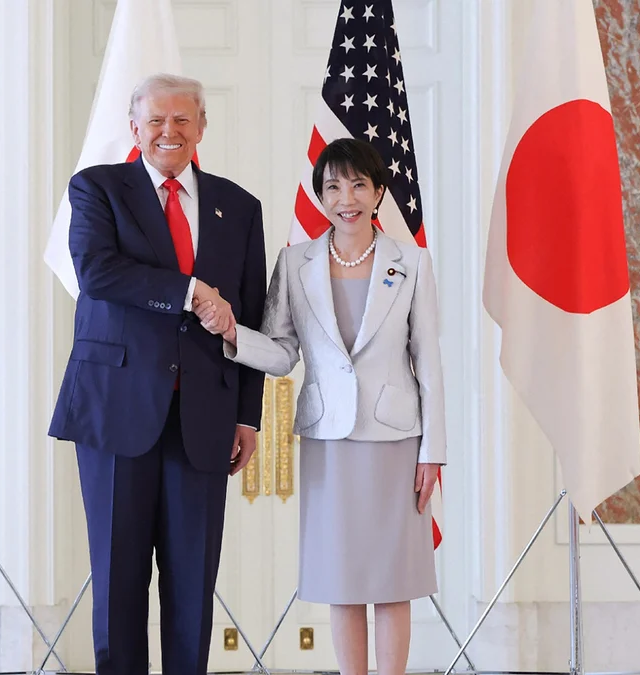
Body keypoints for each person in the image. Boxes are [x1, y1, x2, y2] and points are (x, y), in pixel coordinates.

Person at [196, 137, 447, 675]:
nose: (346, 197)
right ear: (320, 196)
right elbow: (283, 352)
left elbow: (429, 361)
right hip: (329, 442)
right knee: (342, 578)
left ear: (378, 192)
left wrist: (435, 452)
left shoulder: (413, 262)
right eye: (333, 186)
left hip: (397, 441)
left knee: (393, 577)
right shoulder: (295, 263)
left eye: (358, 184)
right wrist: (230, 331)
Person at [48, 73, 268, 675]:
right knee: (118, 581)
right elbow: (97, 272)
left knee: (193, 583)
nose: (168, 132)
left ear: (201, 128)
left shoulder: (240, 208)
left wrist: (248, 414)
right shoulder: (97, 189)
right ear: (134, 128)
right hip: (116, 410)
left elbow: (249, 316)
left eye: (181, 121)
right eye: (155, 121)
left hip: (205, 417)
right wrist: (192, 292)